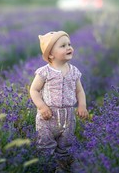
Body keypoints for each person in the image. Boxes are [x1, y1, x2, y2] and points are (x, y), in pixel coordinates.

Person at [30, 30, 89, 172]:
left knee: (65, 146)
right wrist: (42, 107)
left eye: (69, 44)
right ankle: (47, 168)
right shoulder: (44, 72)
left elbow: (79, 91)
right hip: (48, 116)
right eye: (63, 46)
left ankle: (62, 169)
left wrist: (82, 105)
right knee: (45, 146)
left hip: (68, 116)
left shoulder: (74, 71)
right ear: (50, 54)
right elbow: (34, 90)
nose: (69, 47)